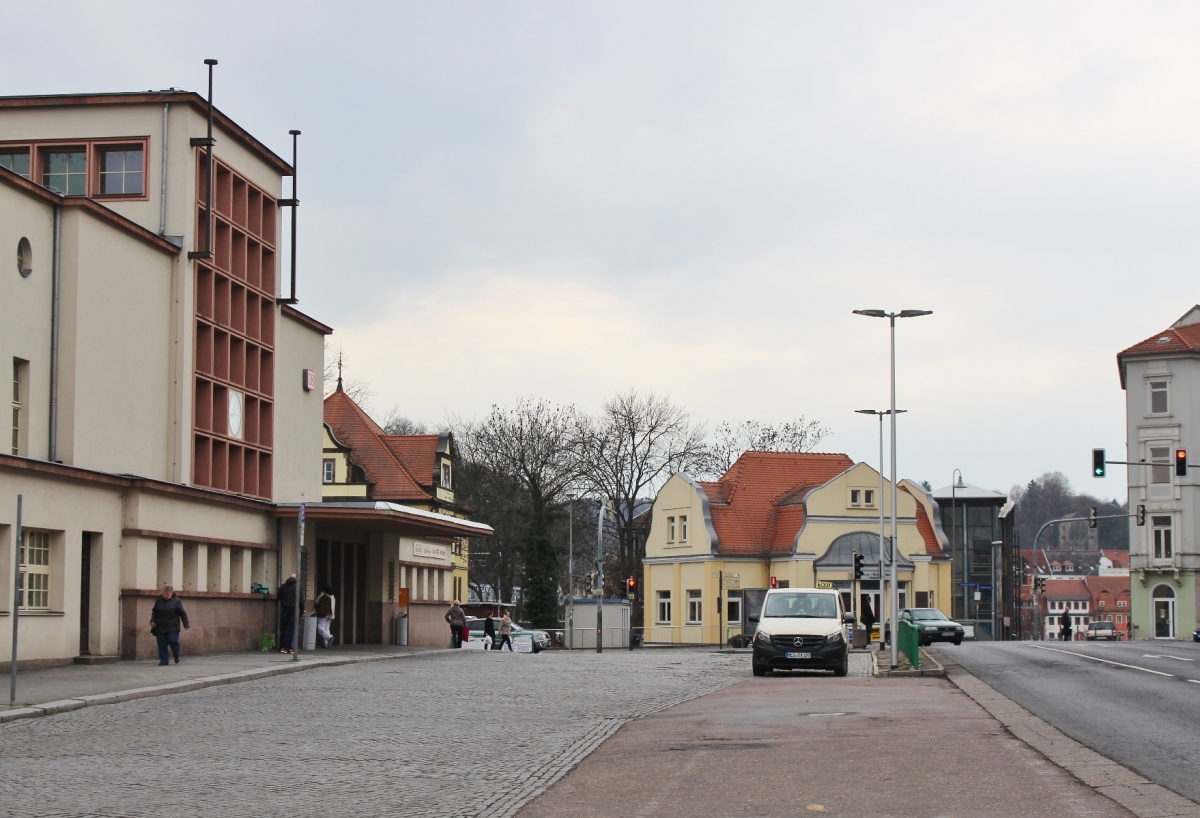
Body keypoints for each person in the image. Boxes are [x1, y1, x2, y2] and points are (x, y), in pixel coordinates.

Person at [149, 584, 190, 665]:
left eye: (167, 594)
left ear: (171, 593)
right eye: (164, 594)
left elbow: (182, 613)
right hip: (160, 625)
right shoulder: (158, 600)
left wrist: (186, 624)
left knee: (173, 640)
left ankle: (176, 655)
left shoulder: (176, 601)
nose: (165, 596)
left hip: (173, 626)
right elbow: (154, 612)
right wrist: (152, 621)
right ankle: (164, 661)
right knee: (162, 644)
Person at [278, 573, 299, 654]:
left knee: (284, 628)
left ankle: (282, 647)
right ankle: (289, 648)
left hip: (285, 609)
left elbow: (279, 597)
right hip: (293, 609)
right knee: (291, 629)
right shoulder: (297, 587)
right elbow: (300, 599)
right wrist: (302, 610)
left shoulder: (283, 586)